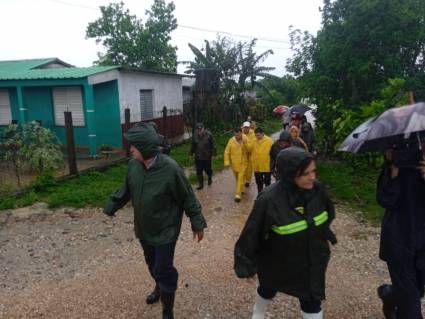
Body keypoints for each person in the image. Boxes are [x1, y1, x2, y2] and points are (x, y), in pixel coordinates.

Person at [104, 123, 207, 319]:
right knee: (152, 264)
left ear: (144, 147)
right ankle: (160, 287)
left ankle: (168, 310)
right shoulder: (134, 165)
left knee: (163, 269)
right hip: (143, 229)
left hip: (166, 230)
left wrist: (197, 222)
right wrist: (113, 204)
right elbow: (127, 188)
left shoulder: (170, 169)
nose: (131, 149)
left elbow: (188, 197)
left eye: (134, 146)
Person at [234, 147, 337, 319]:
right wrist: (246, 265)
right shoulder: (269, 199)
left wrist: (324, 233)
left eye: (314, 171)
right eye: (306, 174)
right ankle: (258, 312)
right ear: (289, 175)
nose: (312, 177)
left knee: (311, 299)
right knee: (268, 287)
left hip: (312, 259)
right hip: (278, 260)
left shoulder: (317, 190)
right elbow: (251, 233)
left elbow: (328, 212)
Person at [376, 142, 425, 319]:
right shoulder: (395, 167)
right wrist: (393, 173)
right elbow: (385, 201)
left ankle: (388, 294)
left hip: (422, 244)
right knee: (411, 304)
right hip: (399, 240)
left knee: (417, 291)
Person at [224, 127, 249, 203]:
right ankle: (242, 188)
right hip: (234, 163)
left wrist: (245, 143)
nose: (237, 136)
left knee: (241, 177)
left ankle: (238, 195)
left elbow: (250, 149)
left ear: (241, 133)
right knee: (237, 178)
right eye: (235, 135)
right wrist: (227, 162)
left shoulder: (246, 139)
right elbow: (227, 151)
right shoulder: (231, 141)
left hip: (243, 163)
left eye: (238, 135)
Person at [190, 123, 217, 190]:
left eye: (200, 129)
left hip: (207, 157)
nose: (199, 130)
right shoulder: (195, 135)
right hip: (198, 157)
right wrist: (190, 153)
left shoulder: (209, 135)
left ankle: (209, 177)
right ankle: (201, 185)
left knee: (207, 169)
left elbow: (214, 145)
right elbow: (193, 145)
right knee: (199, 171)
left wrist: (214, 154)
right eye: (198, 129)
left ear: (203, 128)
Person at [251, 128, 273, 193]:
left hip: (266, 166)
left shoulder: (269, 141)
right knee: (258, 182)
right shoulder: (253, 140)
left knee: (267, 182)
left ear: (263, 133)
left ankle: (267, 195)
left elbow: (273, 152)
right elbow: (249, 149)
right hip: (257, 166)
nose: (257, 137)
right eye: (256, 135)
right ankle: (260, 195)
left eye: (258, 135)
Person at [242, 121, 256, 187]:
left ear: (249, 127)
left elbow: (253, 143)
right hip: (242, 153)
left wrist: (250, 149)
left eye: (247, 127)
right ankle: (243, 180)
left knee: (249, 168)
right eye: (245, 127)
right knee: (242, 166)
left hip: (250, 153)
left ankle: (247, 180)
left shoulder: (252, 133)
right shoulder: (240, 133)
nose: (246, 129)